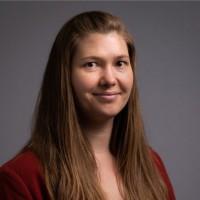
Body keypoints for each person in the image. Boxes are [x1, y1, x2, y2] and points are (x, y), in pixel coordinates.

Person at [0, 11, 176, 200]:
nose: (109, 79)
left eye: (120, 63)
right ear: (64, 76)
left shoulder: (152, 165)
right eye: (91, 64)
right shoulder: (21, 178)